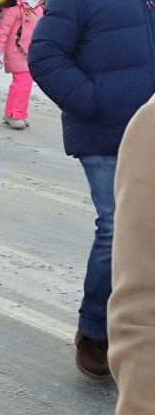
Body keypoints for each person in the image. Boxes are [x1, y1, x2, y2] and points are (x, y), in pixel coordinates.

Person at [28, 0, 155, 381]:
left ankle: (140, 325)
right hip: (107, 132)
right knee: (117, 228)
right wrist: (92, 101)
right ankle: (95, 331)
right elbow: (45, 56)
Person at [109, 93, 155, 411]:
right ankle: (91, 334)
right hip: (102, 128)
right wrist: (93, 99)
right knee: (105, 229)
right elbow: (141, 312)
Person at [0, 0, 43, 130]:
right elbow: (3, 30)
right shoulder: (13, 6)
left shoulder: (39, 5)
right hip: (17, 51)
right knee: (23, 82)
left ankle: (12, 113)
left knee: (23, 83)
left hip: (31, 51)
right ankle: (16, 115)